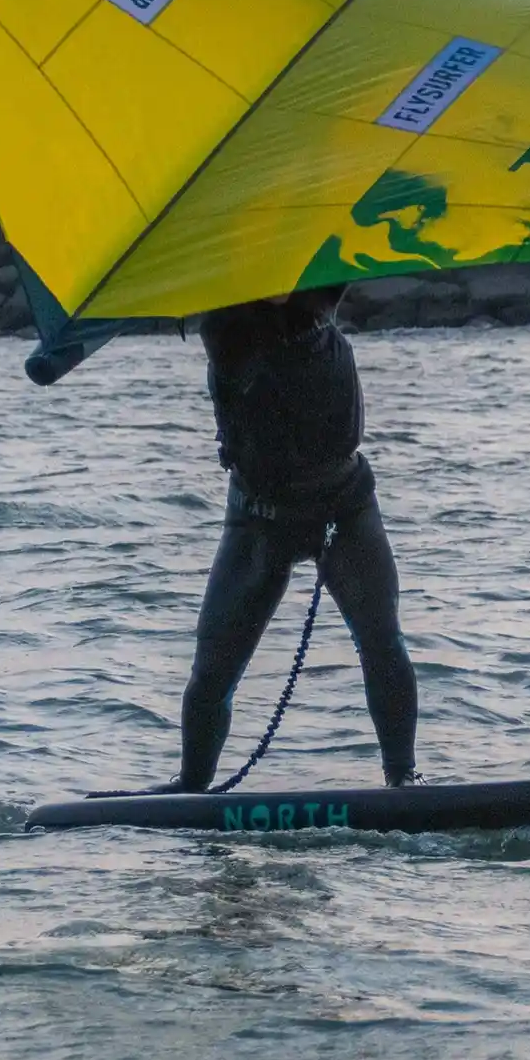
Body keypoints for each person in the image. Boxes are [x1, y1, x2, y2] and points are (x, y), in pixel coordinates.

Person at [159, 284, 420, 791]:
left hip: (345, 505)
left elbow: (344, 255)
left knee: (383, 640)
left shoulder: (319, 287)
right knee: (212, 669)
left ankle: (403, 778)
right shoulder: (223, 323)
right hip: (259, 517)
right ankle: (190, 788)